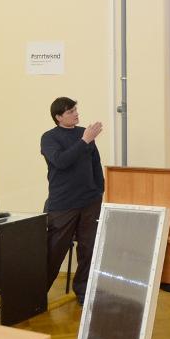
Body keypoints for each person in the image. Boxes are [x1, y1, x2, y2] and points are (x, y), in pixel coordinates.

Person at [40, 97, 104, 306]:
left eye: (75, 109)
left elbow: (95, 163)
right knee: (54, 250)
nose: (76, 114)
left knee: (88, 249)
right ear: (58, 117)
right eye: (70, 111)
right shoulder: (49, 138)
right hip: (63, 203)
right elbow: (61, 161)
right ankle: (35, 294)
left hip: (90, 202)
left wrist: (99, 190)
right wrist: (84, 141)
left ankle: (83, 291)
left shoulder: (84, 133)